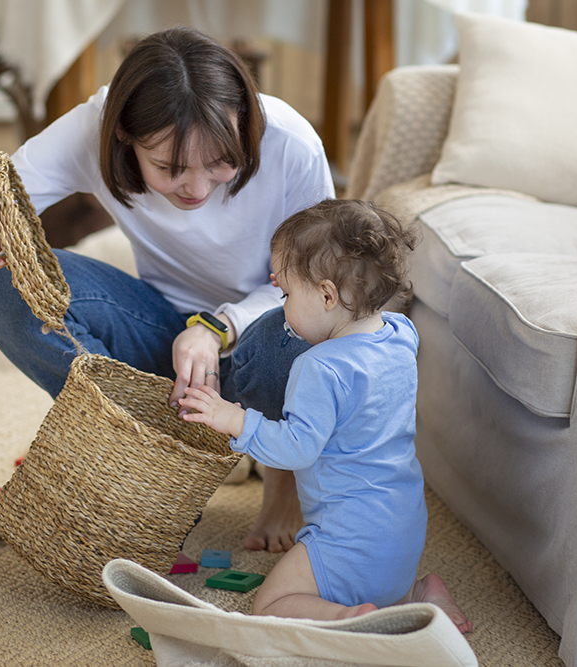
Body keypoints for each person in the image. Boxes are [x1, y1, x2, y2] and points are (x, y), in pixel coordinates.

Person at [0, 26, 331, 553]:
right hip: (159, 342)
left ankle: (277, 474)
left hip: (263, 344)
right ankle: (156, 452)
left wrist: (216, 328)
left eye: (222, 162)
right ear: (125, 133)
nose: (196, 187)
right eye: (170, 169)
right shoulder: (93, 128)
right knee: (5, 284)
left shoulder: (291, 143)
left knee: (307, 327)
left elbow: (319, 289)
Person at [178, 199, 472, 630]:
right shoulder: (400, 335)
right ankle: (417, 591)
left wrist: (233, 418)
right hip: (403, 527)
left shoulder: (318, 367)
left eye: (286, 294)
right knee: (383, 580)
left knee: (271, 603)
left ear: (327, 295)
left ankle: (348, 618)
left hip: (347, 539)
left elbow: (297, 448)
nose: (282, 308)